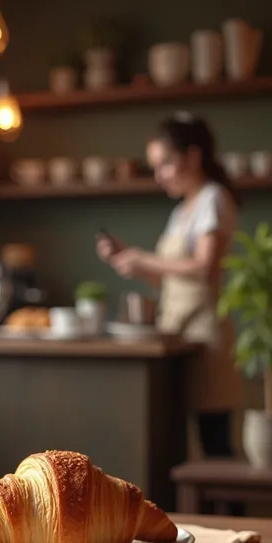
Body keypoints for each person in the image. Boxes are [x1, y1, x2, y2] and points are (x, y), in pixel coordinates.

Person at [97, 112, 242, 459]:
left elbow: (204, 267)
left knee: (215, 447)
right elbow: (169, 279)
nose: (159, 176)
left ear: (192, 156)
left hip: (206, 338)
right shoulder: (182, 211)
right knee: (180, 445)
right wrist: (128, 260)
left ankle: (228, 515)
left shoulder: (213, 199)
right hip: (178, 334)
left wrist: (143, 258)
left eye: (165, 164)